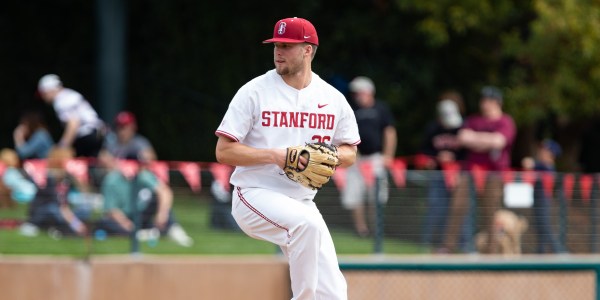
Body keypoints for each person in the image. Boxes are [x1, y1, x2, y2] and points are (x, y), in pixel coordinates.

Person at [215, 17, 360, 300]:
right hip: (254, 194)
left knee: (334, 294)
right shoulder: (254, 92)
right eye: (276, 45)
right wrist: (276, 155)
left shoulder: (332, 98)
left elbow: (349, 152)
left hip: (302, 201)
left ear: (308, 50)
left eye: (287, 46)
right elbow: (224, 151)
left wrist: (327, 155)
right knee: (306, 225)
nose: (278, 51)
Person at [96, 111, 193, 247]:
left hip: (140, 210)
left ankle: (171, 229)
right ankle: (143, 233)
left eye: (126, 127)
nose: (123, 131)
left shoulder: (142, 169)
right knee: (105, 222)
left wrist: (162, 214)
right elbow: (111, 210)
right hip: (122, 216)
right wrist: (127, 225)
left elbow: (164, 191)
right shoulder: (111, 177)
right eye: (120, 127)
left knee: (159, 202)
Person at [440, 86, 516, 254]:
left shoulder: (505, 121)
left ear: (498, 102)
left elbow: (499, 141)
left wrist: (476, 140)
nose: (485, 104)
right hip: (471, 171)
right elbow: (463, 138)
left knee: (490, 212)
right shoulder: (474, 120)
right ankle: (448, 246)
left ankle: (491, 250)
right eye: (483, 100)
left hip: (494, 173)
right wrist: (486, 141)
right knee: (458, 206)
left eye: (489, 101)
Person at [341, 76, 397, 238]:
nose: (358, 96)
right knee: (354, 195)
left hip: (376, 158)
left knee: (377, 195)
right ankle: (361, 230)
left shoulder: (381, 108)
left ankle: (376, 229)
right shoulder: (352, 109)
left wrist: (388, 155)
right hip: (356, 159)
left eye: (360, 92)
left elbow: (389, 132)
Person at [418, 91, 471, 250]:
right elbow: (423, 153)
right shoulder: (433, 129)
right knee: (436, 209)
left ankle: (465, 247)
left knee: (462, 211)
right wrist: (435, 158)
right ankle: (429, 244)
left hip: (460, 176)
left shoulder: (464, 127)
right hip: (439, 176)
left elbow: (469, 154)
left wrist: (455, 162)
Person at [19, 147, 89, 237]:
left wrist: (76, 179)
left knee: (84, 209)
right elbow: (61, 208)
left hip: (62, 213)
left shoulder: (65, 180)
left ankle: (62, 229)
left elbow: (68, 203)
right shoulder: (48, 179)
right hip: (44, 213)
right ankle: (60, 229)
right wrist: (76, 224)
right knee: (53, 209)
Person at [37, 74, 105, 158]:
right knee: (96, 160)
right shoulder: (69, 94)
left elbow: (73, 124)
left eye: (44, 93)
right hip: (98, 132)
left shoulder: (61, 101)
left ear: (50, 90)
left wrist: (62, 146)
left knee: (67, 161)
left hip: (87, 135)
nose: (43, 97)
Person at [522, 139, 564, 253]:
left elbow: (540, 167)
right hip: (537, 200)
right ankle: (541, 253)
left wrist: (532, 164)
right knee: (540, 228)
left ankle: (559, 252)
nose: (541, 152)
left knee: (545, 227)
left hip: (544, 201)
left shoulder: (548, 167)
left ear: (551, 154)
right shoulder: (541, 166)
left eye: (544, 150)